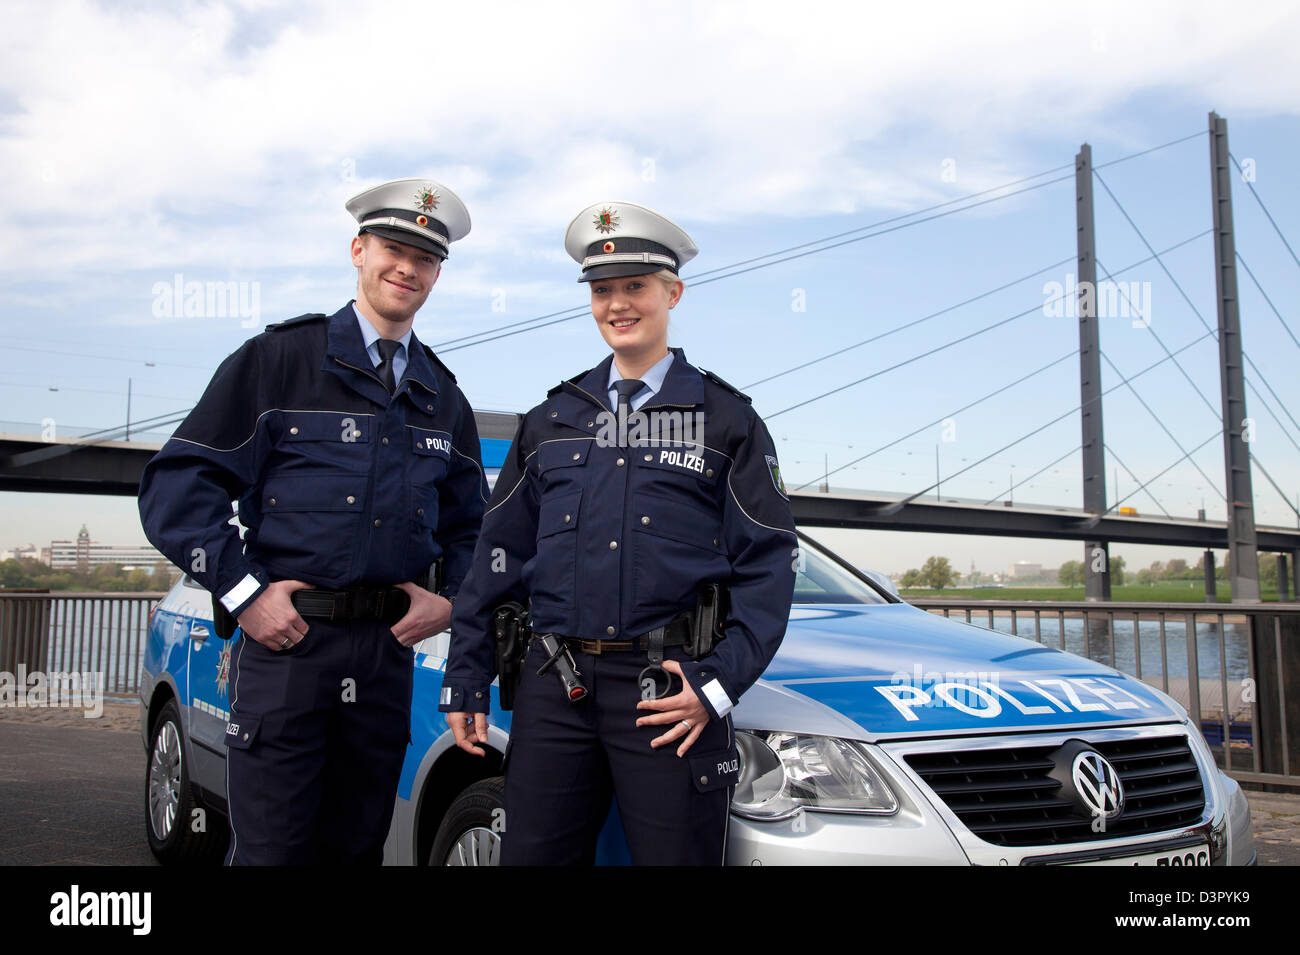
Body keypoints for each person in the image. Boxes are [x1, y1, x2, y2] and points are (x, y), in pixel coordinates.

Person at [138, 178, 488, 865]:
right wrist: (245, 594)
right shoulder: (277, 363)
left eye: (426, 258)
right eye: (392, 247)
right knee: (272, 853)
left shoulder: (443, 398)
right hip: (287, 650)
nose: (407, 267)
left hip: (385, 658)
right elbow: (175, 490)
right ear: (358, 249)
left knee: (355, 851)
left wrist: (451, 602)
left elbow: (474, 530)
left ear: (438, 273)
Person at [440, 201, 797, 865]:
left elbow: (771, 565)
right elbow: (499, 554)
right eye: (603, 290)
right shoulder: (552, 418)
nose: (617, 304)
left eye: (635, 286)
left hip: (666, 692)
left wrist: (716, 686)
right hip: (555, 683)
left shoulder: (726, 421)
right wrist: (466, 673)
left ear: (673, 292)